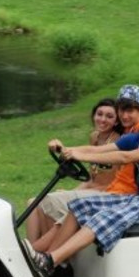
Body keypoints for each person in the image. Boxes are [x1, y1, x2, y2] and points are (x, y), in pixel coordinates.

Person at [27, 85, 139, 253]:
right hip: (117, 192)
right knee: (42, 203)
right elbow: (98, 151)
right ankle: (44, 255)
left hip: (128, 196)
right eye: (122, 109)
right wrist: (67, 150)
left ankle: (39, 254)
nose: (125, 115)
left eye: (131, 110)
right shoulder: (133, 135)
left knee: (55, 206)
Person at [29, 98, 139, 277]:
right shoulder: (138, 138)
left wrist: (81, 156)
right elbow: (102, 150)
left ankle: (50, 260)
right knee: (79, 205)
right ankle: (45, 264)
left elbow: (125, 157)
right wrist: (67, 149)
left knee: (100, 218)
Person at [25, 97, 122, 242]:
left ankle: (43, 254)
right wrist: (73, 191)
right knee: (33, 203)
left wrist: (64, 148)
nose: (102, 119)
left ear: (116, 121)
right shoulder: (94, 137)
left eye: (109, 116)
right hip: (90, 190)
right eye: (99, 114)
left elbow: (104, 178)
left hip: (104, 194)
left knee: (48, 202)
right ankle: (33, 249)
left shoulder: (117, 141)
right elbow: (91, 177)